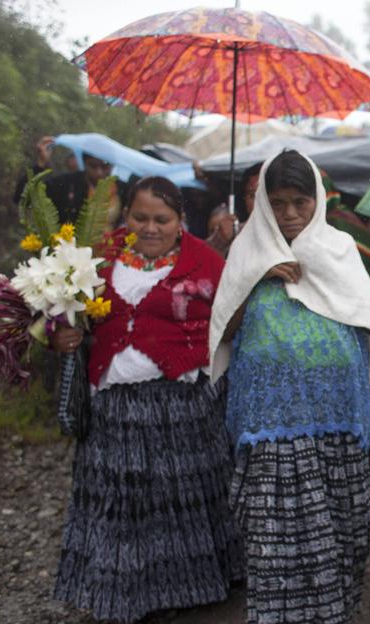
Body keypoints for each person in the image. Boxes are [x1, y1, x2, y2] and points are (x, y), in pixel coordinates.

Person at [208, 150, 370, 624]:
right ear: (263, 205)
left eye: (300, 203)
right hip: (270, 432)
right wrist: (254, 276)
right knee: (273, 541)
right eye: (278, 203)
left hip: (336, 428)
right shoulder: (245, 254)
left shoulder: (340, 250)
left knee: (340, 535)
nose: (289, 215)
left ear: (319, 202)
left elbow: (368, 324)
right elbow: (224, 334)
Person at [49, 176, 241, 623]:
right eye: (140, 217)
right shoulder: (95, 258)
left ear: (180, 221)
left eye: (162, 219)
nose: (150, 228)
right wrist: (64, 334)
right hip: (113, 403)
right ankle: (121, 592)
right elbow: (62, 315)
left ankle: (184, 589)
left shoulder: (206, 262)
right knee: (121, 499)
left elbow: (231, 324)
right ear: (125, 216)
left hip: (181, 404)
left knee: (177, 501)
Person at [16, 136, 127, 225]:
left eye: (104, 167)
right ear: (84, 163)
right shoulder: (67, 185)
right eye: (93, 166)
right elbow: (24, 197)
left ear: (112, 165)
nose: (99, 172)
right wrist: (40, 164)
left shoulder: (123, 190)